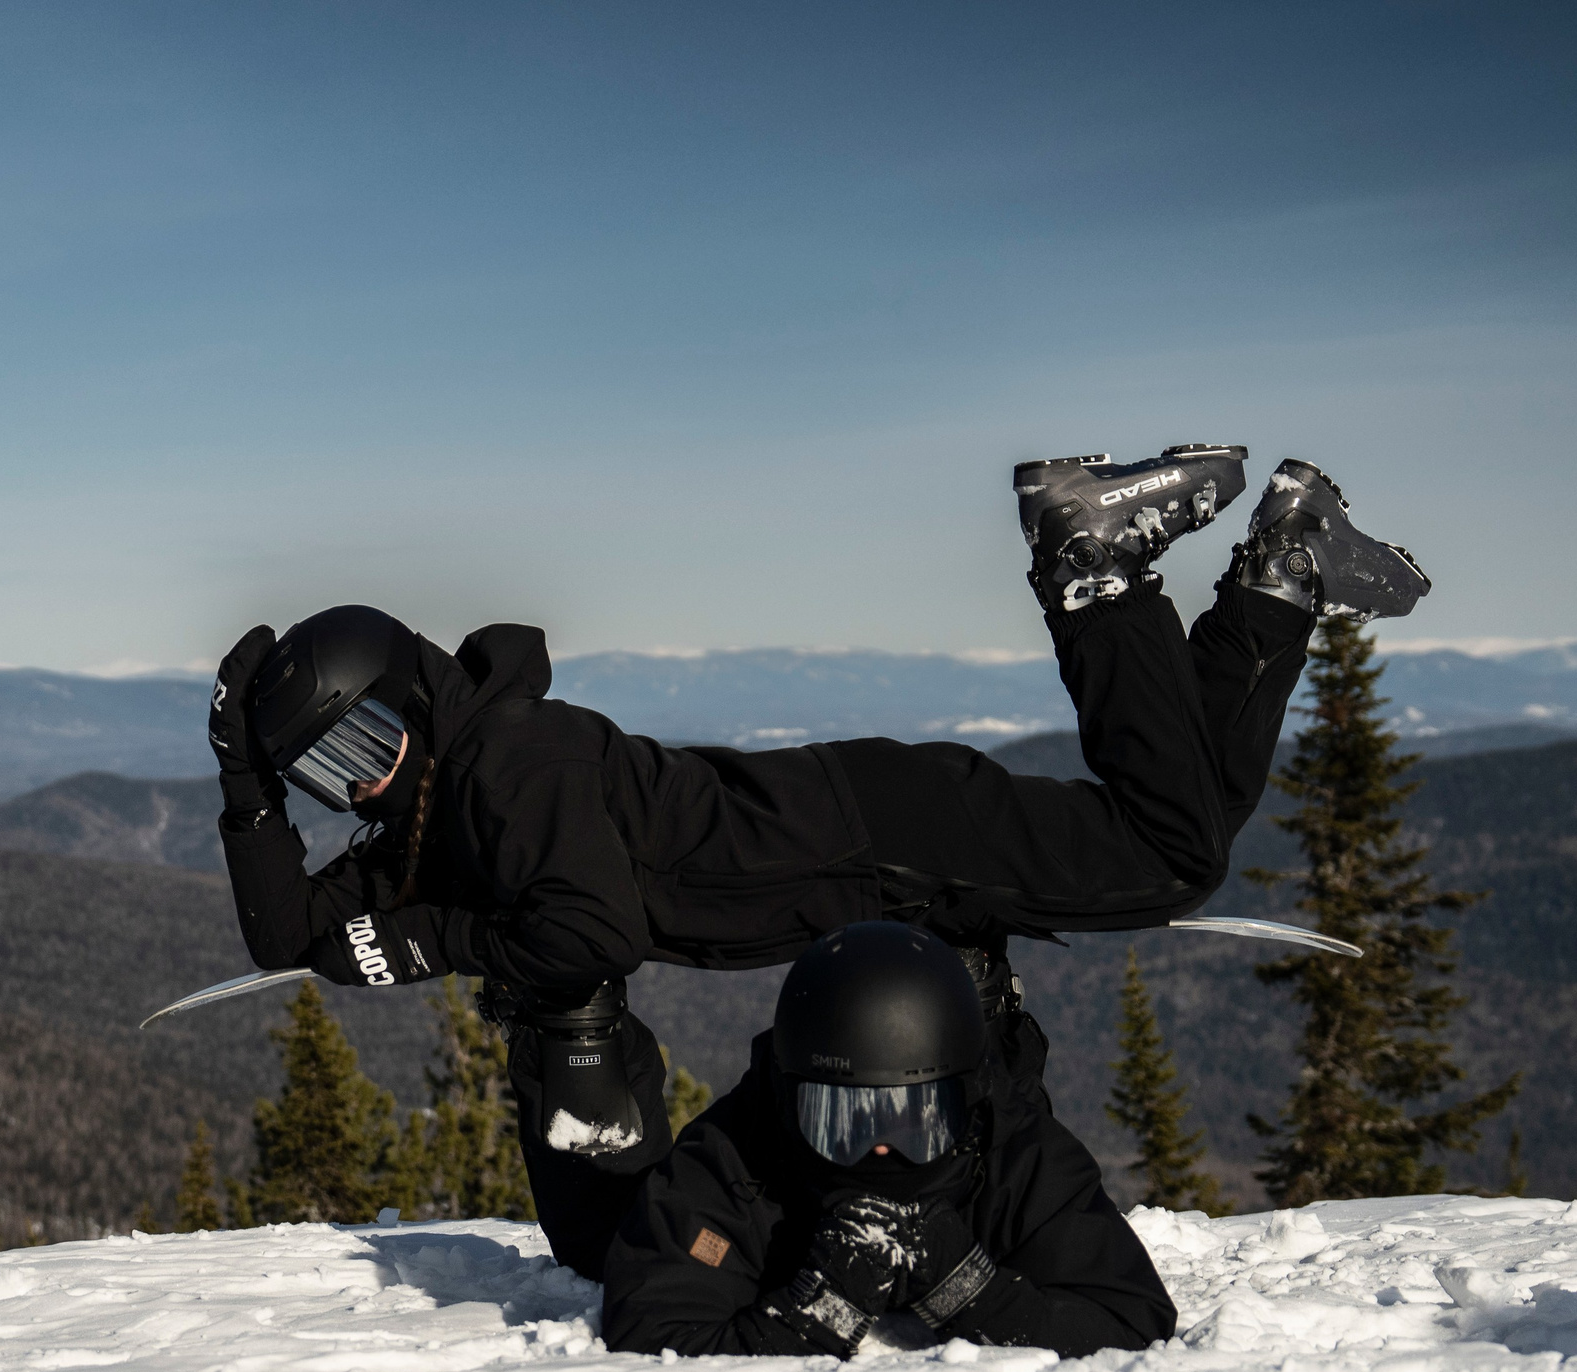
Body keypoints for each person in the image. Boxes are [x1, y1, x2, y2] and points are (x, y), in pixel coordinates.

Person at [206, 448, 1424, 1275]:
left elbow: (591, 932)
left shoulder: (508, 767)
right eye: (327, 770)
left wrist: (433, 939)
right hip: (871, 835)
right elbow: (286, 935)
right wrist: (248, 790)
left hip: (888, 835)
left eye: (366, 741)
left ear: (414, 697)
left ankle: (1096, 569)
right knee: (1183, 832)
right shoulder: (433, 805)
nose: (357, 780)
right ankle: (1281, 573)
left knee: (1167, 857)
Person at [600, 920, 1176, 1358]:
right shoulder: (739, 1154)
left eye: (915, 1120)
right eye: (844, 1121)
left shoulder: (1012, 1150)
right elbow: (654, 1332)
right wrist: (817, 1312)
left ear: (968, 1101)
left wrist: (967, 1289)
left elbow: (1131, 1323)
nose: (880, 1151)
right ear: (791, 1101)